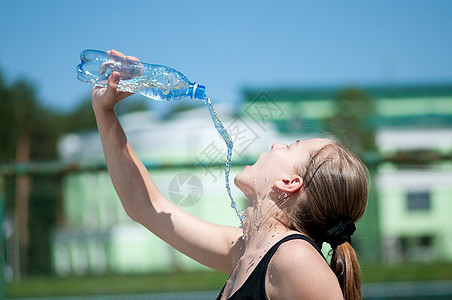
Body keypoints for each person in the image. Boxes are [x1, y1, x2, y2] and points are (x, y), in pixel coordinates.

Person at [91, 50, 369, 300]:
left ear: (289, 183)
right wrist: (105, 112)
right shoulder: (246, 251)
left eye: (291, 146)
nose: (275, 145)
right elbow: (146, 207)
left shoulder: (296, 260)